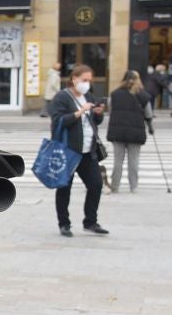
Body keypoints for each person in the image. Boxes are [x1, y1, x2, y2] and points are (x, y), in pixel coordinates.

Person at [48, 64, 108, 236]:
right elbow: (58, 121)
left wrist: (97, 113)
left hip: (88, 151)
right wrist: (80, 112)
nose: (87, 84)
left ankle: (90, 221)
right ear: (74, 79)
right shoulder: (62, 97)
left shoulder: (88, 95)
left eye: (89, 80)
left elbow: (95, 121)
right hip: (68, 150)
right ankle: (64, 223)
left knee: (96, 185)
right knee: (64, 187)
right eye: (84, 80)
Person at [104, 70, 152, 193]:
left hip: (118, 131)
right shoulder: (143, 95)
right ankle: (133, 186)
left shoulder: (114, 94)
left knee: (118, 161)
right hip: (136, 133)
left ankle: (115, 186)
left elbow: (111, 110)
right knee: (134, 161)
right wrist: (150, 126)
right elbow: (148, 114)